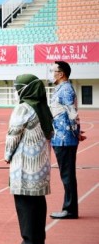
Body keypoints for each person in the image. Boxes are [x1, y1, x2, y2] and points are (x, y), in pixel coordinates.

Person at [5, 74, 53, 244]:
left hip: (24, 165)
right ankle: (38, 241)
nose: (16, 90)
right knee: (38, 202)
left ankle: (29, 243)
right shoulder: (42, 107)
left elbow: (13, 134)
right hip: (41, 165)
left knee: (24, 203)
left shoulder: (23, 108)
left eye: (18, 87)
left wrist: (7, 154)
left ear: (25, 89)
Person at [48, 61, 86, 219]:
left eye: (53, 70)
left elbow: (72, 114)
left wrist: (75, 132)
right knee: (67, 174)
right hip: (60, 137)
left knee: (67, 174)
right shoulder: (61, 89)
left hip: (64, 139)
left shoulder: (65, 90)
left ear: (61, 73)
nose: (51, 73)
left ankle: (69, 209)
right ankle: (69, 208)